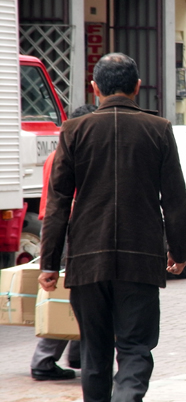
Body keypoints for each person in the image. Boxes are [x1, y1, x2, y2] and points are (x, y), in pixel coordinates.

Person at [39, 53, 186, 402]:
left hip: (88, 258)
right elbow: (175, 199)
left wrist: (49, 262)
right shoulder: (159, 129)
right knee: (136, 347)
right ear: (137, 87)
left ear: (95, 88)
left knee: (94, 351)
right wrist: (178, 251)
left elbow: (58, 201)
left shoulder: (74, 130)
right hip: (141, 258)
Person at [30, 104, 97, 381]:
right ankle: (43, 360)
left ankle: (79, 354)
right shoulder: (77, 155)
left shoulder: (57, 154)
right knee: (69, 298)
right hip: (70, 228)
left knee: (82, 295)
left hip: (57, 225)